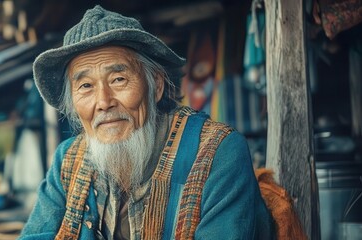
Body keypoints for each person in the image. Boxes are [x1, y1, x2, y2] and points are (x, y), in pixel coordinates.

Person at [20, 5, 274, 240]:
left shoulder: (218, 153)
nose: (104, 101)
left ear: (156, 86)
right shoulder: (68, 160)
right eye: (86, 86)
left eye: (119, 79)